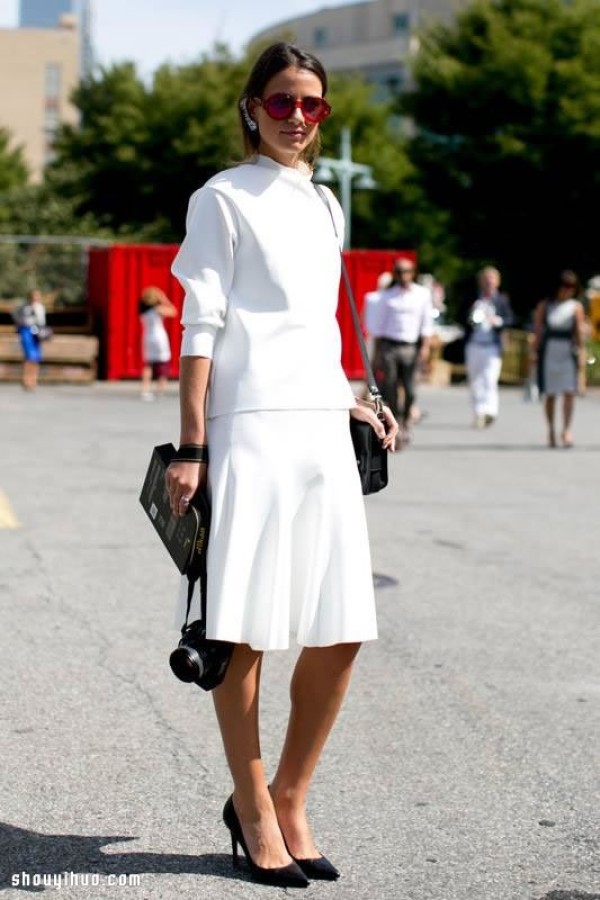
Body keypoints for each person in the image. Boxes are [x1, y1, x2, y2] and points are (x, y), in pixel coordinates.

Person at [165, 41, 398, 889]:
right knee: (247, 633)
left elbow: (317, 325)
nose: (297, 117)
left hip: (319, 428)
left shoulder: (327, 205)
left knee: (342, 630)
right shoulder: (221, 198)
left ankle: (292, 791)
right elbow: (204, 329)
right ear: (251, 106)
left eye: (312, 105)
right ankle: (255, 807)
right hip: (250, 431)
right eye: (281, 102)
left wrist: (354, 398)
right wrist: (192, 446)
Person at [364, 256, 433, 446]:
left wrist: (425, 348)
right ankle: (397, 423)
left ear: (413, 273)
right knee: (391, 386)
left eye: (407, 271)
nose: (404, 276)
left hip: (410, 346)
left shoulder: (422, 294)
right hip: (389, 346)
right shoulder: (386, 297)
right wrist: (376, 355)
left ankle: (408, 415)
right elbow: (378, 327)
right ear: (395, 274)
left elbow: (426, 324)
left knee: (410, 389)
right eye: (400, 272)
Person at [532, 270, 586, 448]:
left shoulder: (575, 307)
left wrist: (581, 353)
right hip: (549, 351)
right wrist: (534, 352)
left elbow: (578, 332)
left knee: (569, 392)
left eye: (571, 287)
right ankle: (551, 430)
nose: (568, 291)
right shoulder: (545, 306)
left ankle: (567, 430)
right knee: (551, 394)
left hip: (567, 352)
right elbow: (538, 331)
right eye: (565, 287)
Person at [461, 266, 513, 429]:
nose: (489, 283)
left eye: (492, 279)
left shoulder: (501, 300)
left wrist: (498, 321)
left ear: (497, 282)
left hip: (492, 346)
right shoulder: (473, 299)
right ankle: (478, 412)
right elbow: (461, 317)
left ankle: (490, 411)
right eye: (486, 279)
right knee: (475, 380)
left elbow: (510, 319)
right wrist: (471, 313)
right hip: (474, 344)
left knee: (490, 379)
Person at [138, 285, 177, 400]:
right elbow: (174, 311)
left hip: (147, 337)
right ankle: (160, 390)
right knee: (163, 363)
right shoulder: (158, 309)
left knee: (148, 364)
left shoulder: (142, 311)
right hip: (159, 337)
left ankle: (145, 390)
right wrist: (164, 299)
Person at [12, 288, 47, 391]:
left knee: (36, 357)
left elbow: (42, 321)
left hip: (37, 333)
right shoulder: (24, 307)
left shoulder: (40, 307)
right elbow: (15, 314)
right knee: (29, 356)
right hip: (26, 331)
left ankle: (34, 380)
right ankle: (26, 379)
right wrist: (20, 323)